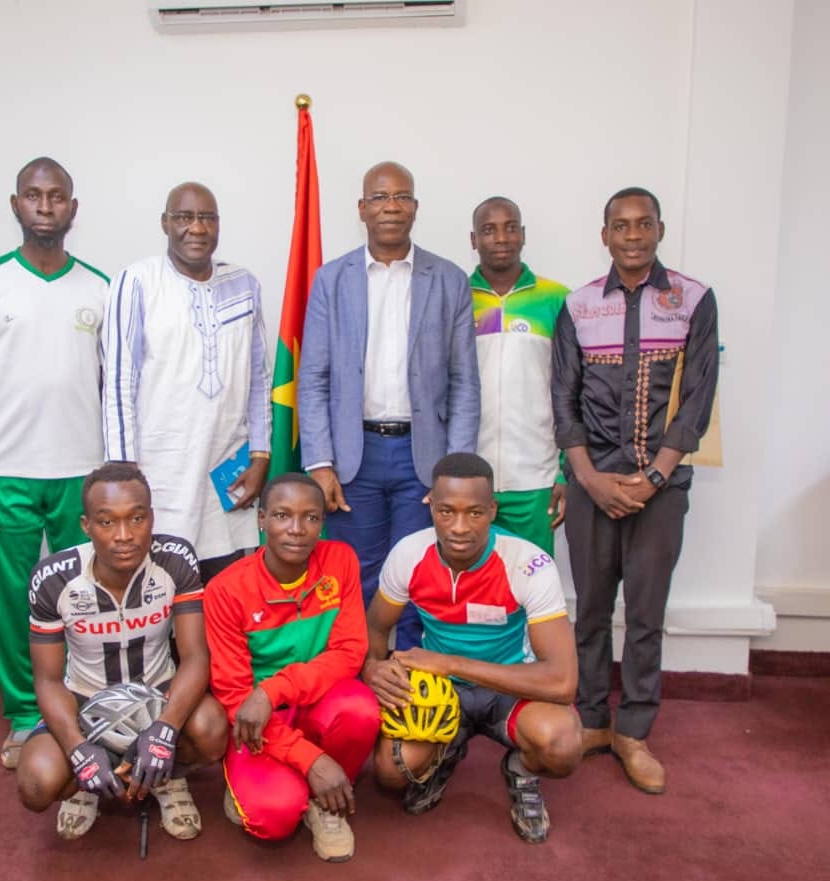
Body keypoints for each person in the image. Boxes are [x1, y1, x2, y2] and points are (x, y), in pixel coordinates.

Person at [552, 187, 719, 794]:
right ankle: (593, 720)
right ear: (604, 235)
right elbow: (563, 400)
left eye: (643, 224)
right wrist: (589, 479)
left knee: (646, 615)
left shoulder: (693, 300)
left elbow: (698, 399)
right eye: (620, 226)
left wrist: (654, 478)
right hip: (591, 483)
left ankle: (634, 732)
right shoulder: (578, 306)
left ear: (659, 230)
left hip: (660, 486)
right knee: (591, 611)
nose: (632, 235)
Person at [0, 157, 110, 768]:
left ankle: (87, 704)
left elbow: (112, 385)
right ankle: (25, 713)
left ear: (74, 208)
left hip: (82, 471)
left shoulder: (100, 287)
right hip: (3, 470)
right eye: (33, 195)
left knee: (87, 596)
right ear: (15, 204)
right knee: (11, 599)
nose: (45, 206)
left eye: (57, 196)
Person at [298, 161, 479, 650]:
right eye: (380, 197)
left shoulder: (449, 280)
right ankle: (362, 676)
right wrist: (320, 462)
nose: (391, 207)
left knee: (420, 575)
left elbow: (464, 383)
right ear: (362, 209)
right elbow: (312, 379)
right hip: (353, 458)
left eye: (401, 197)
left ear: (415, 208)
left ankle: (412, 677)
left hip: (425, 458)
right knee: (357, 577)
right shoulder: (331, 280)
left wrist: (454, 470)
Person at [363, 453, 581, 844]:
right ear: (431, 505)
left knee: (561, 745)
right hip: (444, 691)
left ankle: (520, 770)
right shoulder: (410, 554)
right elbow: (375, 627)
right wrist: (372, 668)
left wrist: (450, 663)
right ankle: (446, 750)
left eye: (475, 513)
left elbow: (562, 681)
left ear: (493, 510)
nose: (460, 527)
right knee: (392, 772)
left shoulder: (527, 563)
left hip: (511, 686)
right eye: (446, 511)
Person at [15, 463, 227, 840]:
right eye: (107, 522)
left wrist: (164, 730)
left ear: (152, 518)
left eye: (137, 518)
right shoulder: (54, 578)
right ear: (86, 526)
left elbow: (196, 656)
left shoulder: (175, 559)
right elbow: (47, 681)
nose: (124, 535)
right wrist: (78, 749)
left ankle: (165, 776)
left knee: (212, 729)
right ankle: (85, 784)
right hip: (84, 702)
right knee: (36, 782)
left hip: (159, 695)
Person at [204, 474, 380, 862]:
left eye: (310, 517)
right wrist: (309, 758)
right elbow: (235, 697)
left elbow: (350, 652)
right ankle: (286, 783)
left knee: (359, 709)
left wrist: (272, 690)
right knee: (274, 815)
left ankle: (325, 802)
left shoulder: (340, 561)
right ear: (261, 519)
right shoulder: (225, 590)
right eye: (282, 515)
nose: (297, 529)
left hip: (315, 702)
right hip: (257, 724)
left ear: (322, 522)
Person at [101, 182, 271, 585]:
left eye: (207, 218)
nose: (197, 228)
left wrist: (261, 456)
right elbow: (119, 381)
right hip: (160, 472)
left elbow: (259, 379)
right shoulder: (136, 282)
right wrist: (124, 475)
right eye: (184, 217)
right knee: (160, 588)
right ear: (165, 223)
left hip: (226, 468)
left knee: (225, 587)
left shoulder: (244, 284)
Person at [470, 196, 570, 554]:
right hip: (471, 476)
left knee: (533, 577)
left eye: (510, 228)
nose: (501, 238)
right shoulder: (457, 297)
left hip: (536, 476)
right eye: (489, 230)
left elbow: (574, 389)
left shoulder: (557, 298)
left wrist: (565, 471)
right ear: (473, 240)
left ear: (523, 235)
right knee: (473, 579)